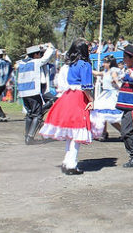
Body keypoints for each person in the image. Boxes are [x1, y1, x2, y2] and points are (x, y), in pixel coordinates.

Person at [38, 39, 95, 175]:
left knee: (71, 133)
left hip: (67, 97)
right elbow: (86, 87)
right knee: (77, 132)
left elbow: (61, 85)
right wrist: (92, 100)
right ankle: (71, 164)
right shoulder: (85, 65)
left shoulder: (67, 66)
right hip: (78, 98)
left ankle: (67, 161)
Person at [17, 43, 56, 145]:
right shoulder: (36, 62)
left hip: (23, 93)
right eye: (39, 53)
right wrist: (50, 47)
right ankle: (30, 138)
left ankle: (27, 135)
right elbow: (46, 58)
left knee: (30, 114)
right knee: (38, 115)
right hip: (33, 92)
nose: (40, 55)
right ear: (35, 55)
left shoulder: (21, 63)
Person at [89, 55, 122, 141]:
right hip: (105, 94)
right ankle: (104, 133)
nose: (103, 64)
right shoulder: (106, 71)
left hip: (111, 95)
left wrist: (117, 82)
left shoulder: (113, 71)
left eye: (105, 62)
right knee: (102, 115)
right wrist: (86, 68)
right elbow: (97, 73)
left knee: (110, 117)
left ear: (109, 63)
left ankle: (124, 132)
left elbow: (116, 80)